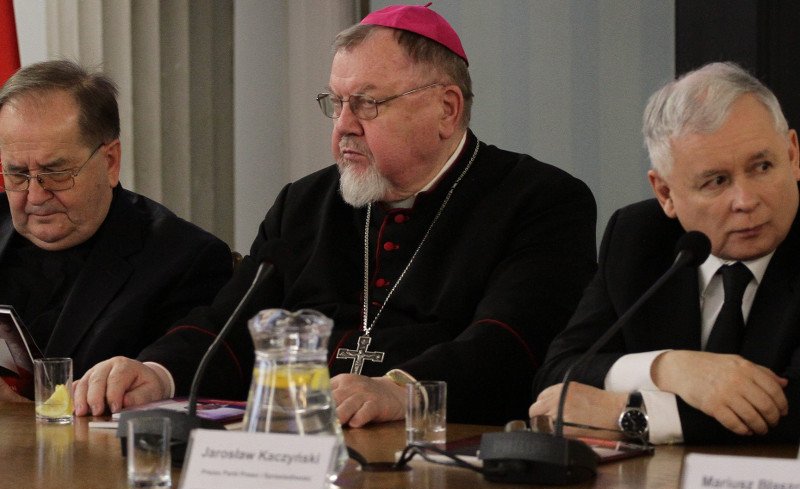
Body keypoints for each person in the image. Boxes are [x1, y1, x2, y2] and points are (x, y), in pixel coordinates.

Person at [74, 4, 596, 426]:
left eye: (367, 104)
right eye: (336, 102)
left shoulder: (540, 201)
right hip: (301, 451)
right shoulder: (303, 204)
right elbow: (228, 326)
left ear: (447, 109)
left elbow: (512, 343)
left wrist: (401, 393)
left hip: (447, 464)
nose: (344, 124)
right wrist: (155, 371)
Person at [531, 62, 800, 444]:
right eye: (717, 181)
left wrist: (628, 415)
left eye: (762, 166)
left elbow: (790, 411)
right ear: (666, 194)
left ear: (792, 155)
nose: (746, 200)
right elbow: (559, 374)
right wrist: (669, 367)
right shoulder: (639, 237)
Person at [0, 60, 233, 401]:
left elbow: (187, 388)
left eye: (56, 172)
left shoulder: (184, 260)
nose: (35, 195)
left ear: (109, 161)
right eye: (17, 174)